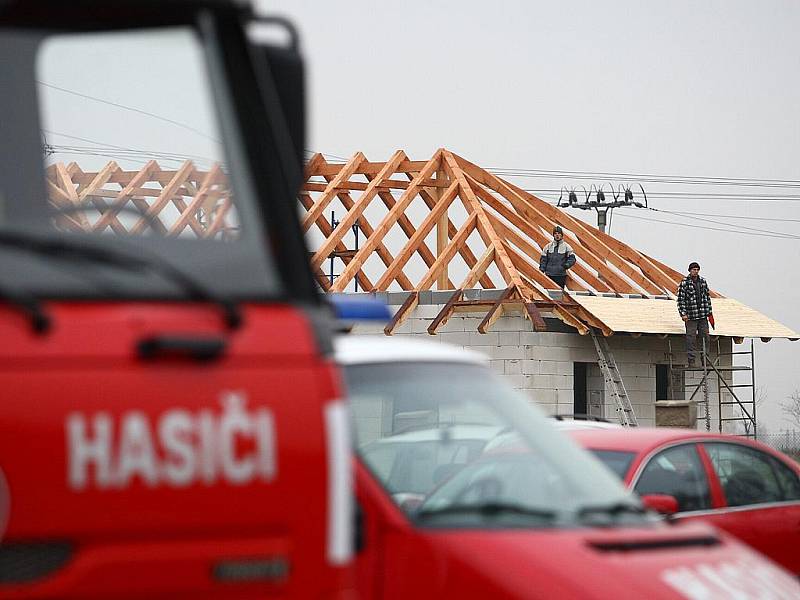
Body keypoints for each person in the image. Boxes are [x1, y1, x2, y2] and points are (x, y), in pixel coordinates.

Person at [676, 261, 713, 367]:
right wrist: (683, 314)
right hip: (691, 317)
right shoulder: (685, 282)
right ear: (690, 270)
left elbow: (707, 297)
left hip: (702, 315)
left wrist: (709, 312)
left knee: (705, 337)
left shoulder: (703, 281)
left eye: (697, 270)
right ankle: (691, 361)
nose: (695, 271)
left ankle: (705, 360)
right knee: (691, 338)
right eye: (694, 270)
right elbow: (680, 300)